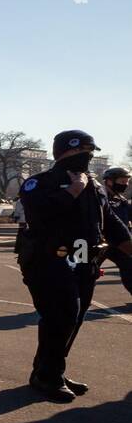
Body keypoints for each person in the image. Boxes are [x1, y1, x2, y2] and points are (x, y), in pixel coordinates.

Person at [17, 131, 132, 402]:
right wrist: (73, 191)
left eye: (91, 151)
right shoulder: (39, 182)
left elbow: (112, 224)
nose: (88, 156)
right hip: (49, 260)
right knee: (63, 315)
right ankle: (47, 376)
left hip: (84, 262)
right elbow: (40, 214)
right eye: (82, 150)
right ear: (63, 152)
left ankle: (50, 370)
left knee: (73, 319)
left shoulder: (94, 185)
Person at [100, 166, 132, 296]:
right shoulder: (99, 198)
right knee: (84, 272)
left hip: (119, 244)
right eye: (122, 181)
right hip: (98, 244)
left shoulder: (122, 201)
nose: (125, 185)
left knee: (130, 268)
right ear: (109, 181)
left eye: (127, 182)